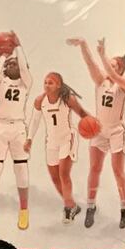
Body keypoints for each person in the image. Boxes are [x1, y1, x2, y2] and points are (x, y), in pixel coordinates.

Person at [71, 36, 125, 228]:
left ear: (120, 69)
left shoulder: (124, 83)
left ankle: (124, 207)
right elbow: (91, 64)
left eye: (115, 66)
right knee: (95, 169)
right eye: (109, 65)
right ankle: (91, 206)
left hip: (117, 131)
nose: (110, 68)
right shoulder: (101, 81)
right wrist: (84, 45)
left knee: (117, 169)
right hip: (99, 130)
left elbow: (111, 73)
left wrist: (103, 55)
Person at [0, 34, 33, 231]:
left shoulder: (25, 83)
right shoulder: (0, 82)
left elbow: (25, 68)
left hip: (18, 127)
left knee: (21, 170)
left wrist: (18, 49)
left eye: (15, 64)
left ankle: (24, 210)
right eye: (9, 64)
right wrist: (4, 54)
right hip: (1, 126)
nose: (12, 66)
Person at [29, 72, 90, 221]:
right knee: (55, 178)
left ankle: (68, 208)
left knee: (64, 174)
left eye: (50, 82)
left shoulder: (67, 98)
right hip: (51, 142)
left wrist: (92, 125)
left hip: (67, 139)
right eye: (45, 82)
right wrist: (29, 139)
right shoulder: (39, 101)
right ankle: (71, 204)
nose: (47, 85)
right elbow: (35, 121)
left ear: (58, 85)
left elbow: (82, 113)